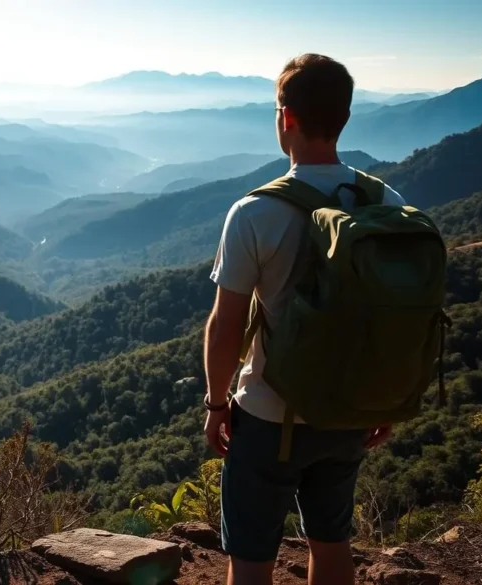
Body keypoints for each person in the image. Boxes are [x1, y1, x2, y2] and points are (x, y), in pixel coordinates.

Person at [202, 53, 407, 585]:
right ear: (344, 115)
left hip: (268, 416)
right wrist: (384, 394)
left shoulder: (254, 212)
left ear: (286, 118)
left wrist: (217, 403)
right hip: (348, 411)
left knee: (251, 561)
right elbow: (397, 313)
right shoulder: (386, 201)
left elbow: (226, 327)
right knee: (333, 545)